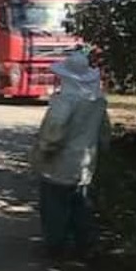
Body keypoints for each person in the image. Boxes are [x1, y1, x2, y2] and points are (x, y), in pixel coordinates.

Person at [30, 51, 111, 260]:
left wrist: (43, 151)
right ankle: (85, 246)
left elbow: (54, 132)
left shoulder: (64, 102)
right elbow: (104, 133)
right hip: (85, 162)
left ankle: (56, 247)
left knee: (54, 206)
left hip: (59, 162)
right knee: (80, 204)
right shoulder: (97, 102)